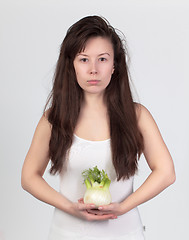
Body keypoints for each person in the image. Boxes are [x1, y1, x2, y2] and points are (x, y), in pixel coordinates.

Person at [21, 15, 176, 240]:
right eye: (84, 60)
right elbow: (28, 177)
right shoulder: (53, 118)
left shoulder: (137, 116)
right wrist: (69, 207)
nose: (93, 70)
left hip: (126, 233)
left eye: (102, 59)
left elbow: (166, 172)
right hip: (66, 233)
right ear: (71, 65)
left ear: (115, 65)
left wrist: (123, 208)